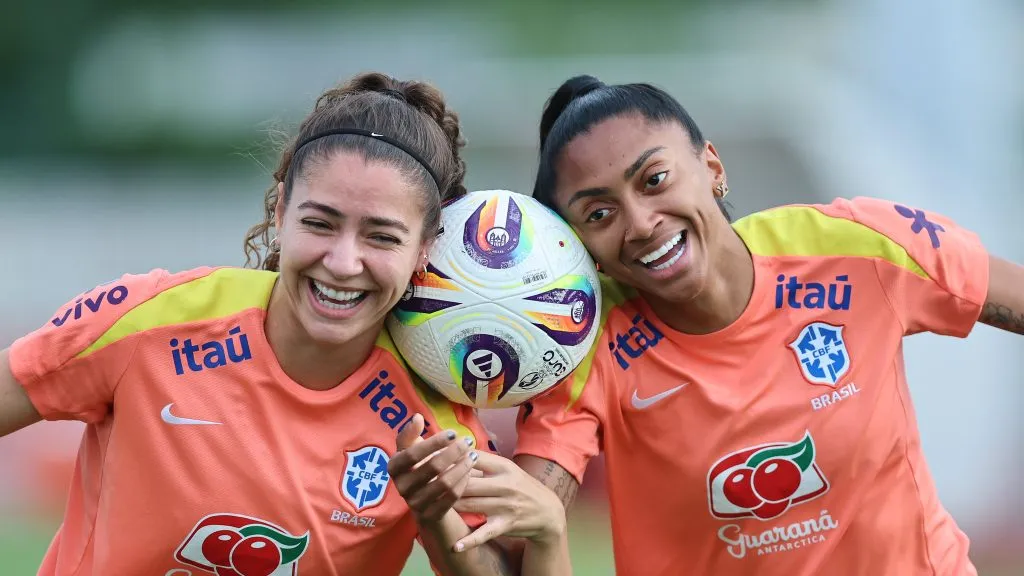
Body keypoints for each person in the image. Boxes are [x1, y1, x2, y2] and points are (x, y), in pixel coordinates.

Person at [0, 72, 568, 576]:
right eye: (320, 224)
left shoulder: (434, 423)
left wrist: (447, 516)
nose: (344, 262)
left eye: (381, 237)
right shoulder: (149, 322)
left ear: (424, 248)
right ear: (279, 213)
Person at [453, 75, 1024, 575]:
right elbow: (517, 544)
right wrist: (441, 506)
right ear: (581, 248)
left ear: (711, 166)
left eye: (654, 180)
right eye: (599, 214)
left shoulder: (857, 247)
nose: (643, 223)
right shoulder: (584, 345)